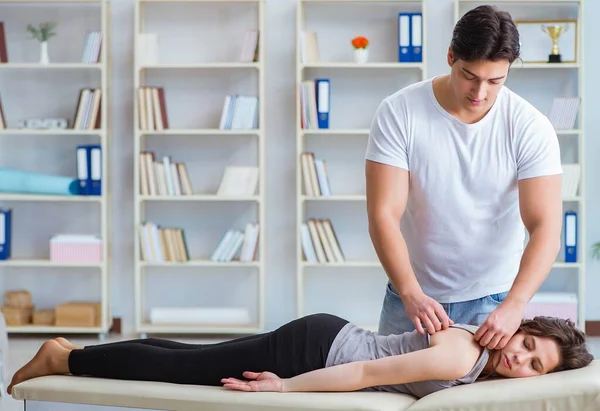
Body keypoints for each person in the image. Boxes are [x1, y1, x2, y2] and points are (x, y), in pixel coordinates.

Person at [365, 4, 563, 349]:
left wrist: (515, 304)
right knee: (387, 394)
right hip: (411, 296)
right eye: (470, 75)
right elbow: (383, 214)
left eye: (495, 81)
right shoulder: (399, 112)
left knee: (479, 404)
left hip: (494, 303)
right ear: (450, 56)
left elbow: (545, 226)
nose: (480, 92)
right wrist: (411, 292)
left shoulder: (530, 126)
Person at [7, 313, 593, 399]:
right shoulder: (460, 356)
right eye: (528, 345)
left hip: (326, 336)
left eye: (536, 365)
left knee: (188, 358)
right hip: (317, 349)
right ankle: (63, 360)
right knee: (183, 371)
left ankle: (73, 351)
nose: (522, 361)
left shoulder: (478, 357)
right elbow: (366, 372)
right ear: (522, 329)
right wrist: (285, 387)